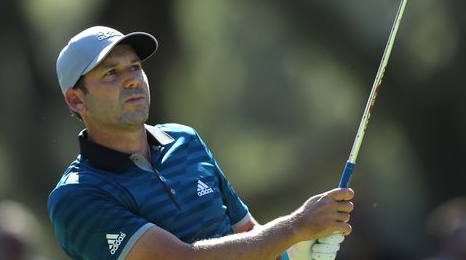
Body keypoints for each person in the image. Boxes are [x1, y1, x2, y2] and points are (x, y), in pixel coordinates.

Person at [47, 26, 354, 260]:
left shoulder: (186, 141)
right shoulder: (77, 196)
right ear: (76, 100)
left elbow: (248, 232)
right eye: (111, 73)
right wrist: (295, 227)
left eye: (135, 66)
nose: (132, 80)